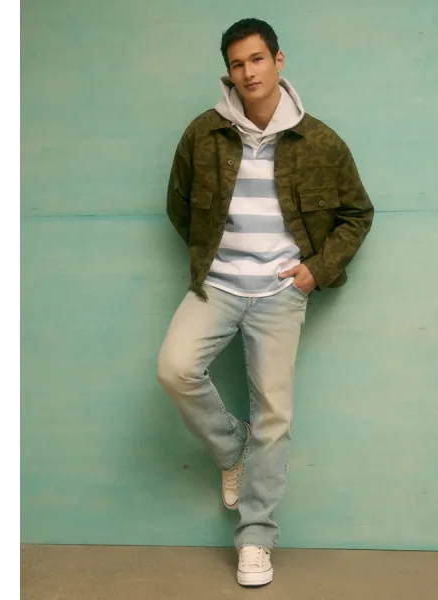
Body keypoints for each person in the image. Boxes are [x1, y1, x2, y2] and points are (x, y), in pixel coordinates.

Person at [157, 17, 374, 587]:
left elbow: (358, 213)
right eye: (237, 64)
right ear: (228, 73)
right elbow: (179, 204)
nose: (248, 72)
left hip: (281, 291)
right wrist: (213, 255)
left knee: (274, 416)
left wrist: (315, 271)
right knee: (175, 369)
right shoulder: (204, 134)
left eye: (257, 59)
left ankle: (255, 539)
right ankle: (233, 449)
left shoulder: (320, 140)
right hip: (218, 284)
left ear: (278, 61)